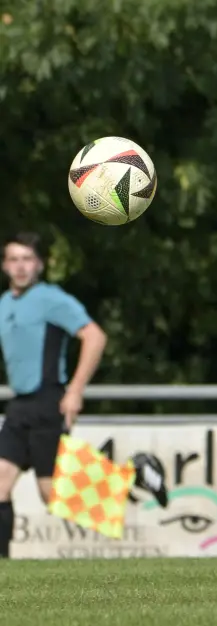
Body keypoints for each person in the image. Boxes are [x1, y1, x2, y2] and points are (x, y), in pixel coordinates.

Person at [0, 231, 108, 558]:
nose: (21, 267)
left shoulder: (51, 299)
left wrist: (75, 390)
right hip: (19, 405)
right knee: (0, 482)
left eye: (27, 259)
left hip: (48, 401)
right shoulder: (4, 304)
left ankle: (136, 479)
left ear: (40, 265)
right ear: (5, 265)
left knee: (53, 495)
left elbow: (95, 337)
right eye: (14, 259)